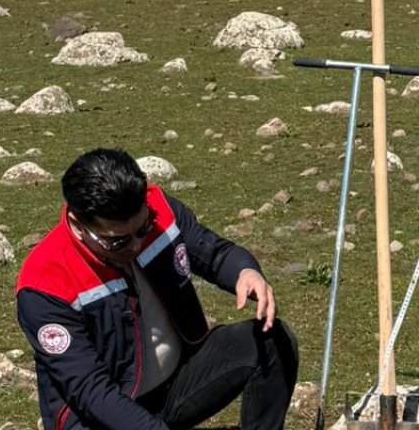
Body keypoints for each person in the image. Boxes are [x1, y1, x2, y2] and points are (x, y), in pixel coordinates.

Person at [15, 148, 298, 430]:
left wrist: (244, 271)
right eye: (117, 242)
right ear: (78, 224)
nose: (136, 245)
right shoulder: (45, 283)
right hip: (101, 417)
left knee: (272, 341)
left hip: (175, 385)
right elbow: (91, 391)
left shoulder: (158, 208)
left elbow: (212, 252)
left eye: (143, 229)